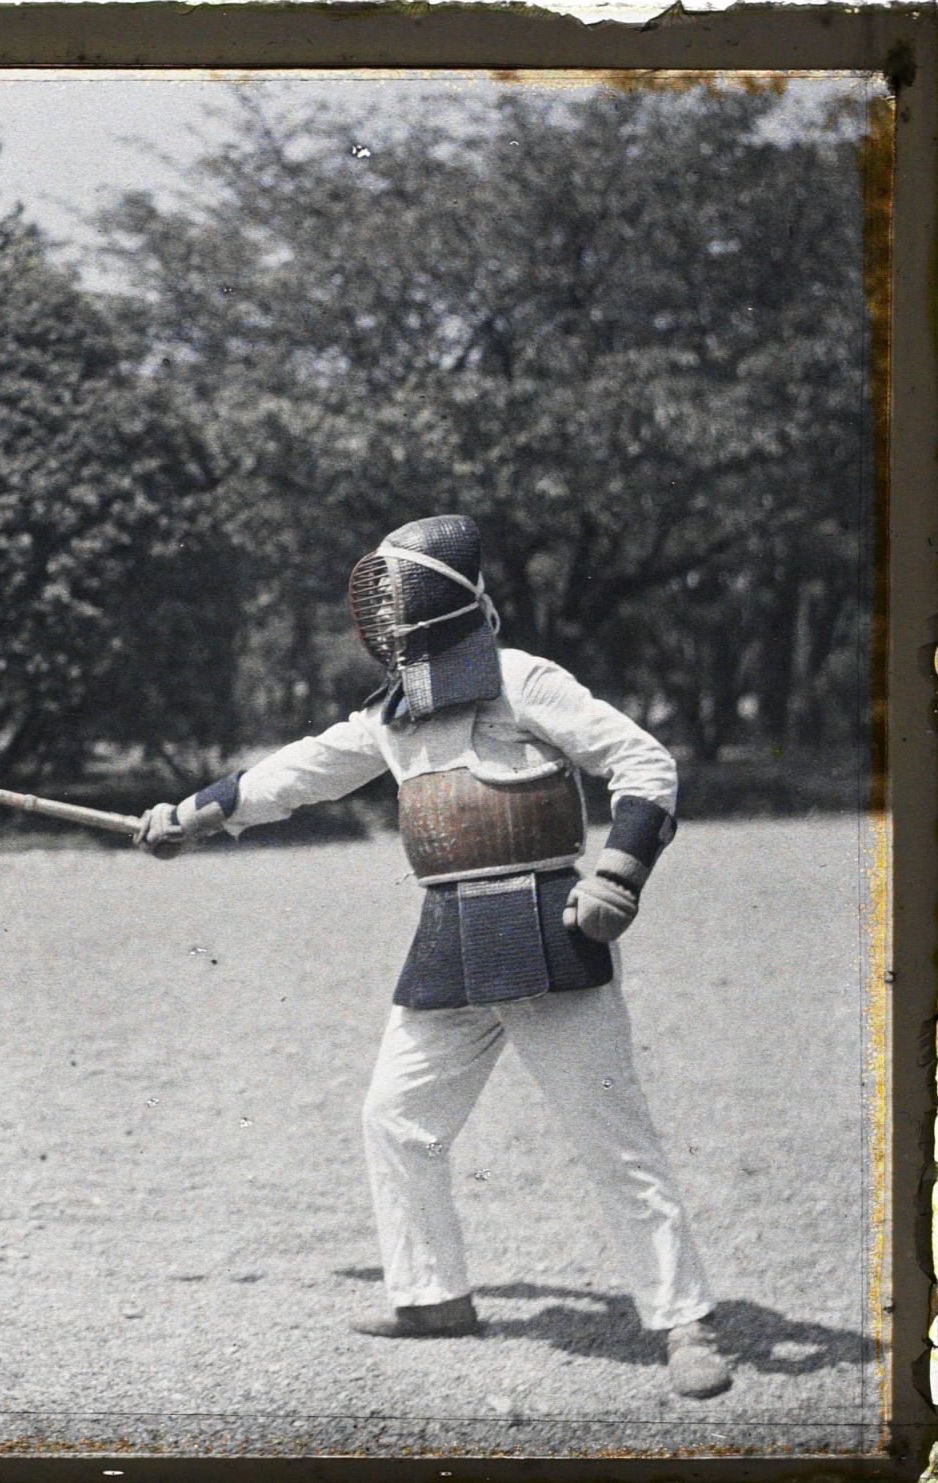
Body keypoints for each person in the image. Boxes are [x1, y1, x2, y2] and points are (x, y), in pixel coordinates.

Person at [133, 514, 730, 1400]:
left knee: (613, 1136)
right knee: (396, 1117)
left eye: (398, 596)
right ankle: (430, 1295)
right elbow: (300, 771)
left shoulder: (524, 679)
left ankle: (684, 1321)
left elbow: (644, 764)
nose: (386, 613)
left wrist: (621, 873)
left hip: (549, 927)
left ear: (443, 601)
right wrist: (194, 812)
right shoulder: (393, 712)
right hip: (449, 936)